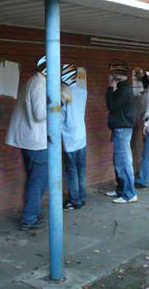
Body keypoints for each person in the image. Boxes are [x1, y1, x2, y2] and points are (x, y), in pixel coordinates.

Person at [6, 56, 48, 231]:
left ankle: (31, 214)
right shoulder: (38, 85)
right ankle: (29, 219)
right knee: (38, 181)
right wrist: (59, 102)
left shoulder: (35, 81)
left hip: (30, 140)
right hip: (35, 141)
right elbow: (40, 114)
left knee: (37, 179)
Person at [105, 63, 138, 204]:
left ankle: (129, 194)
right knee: (119, 161)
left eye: (111, 73)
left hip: (122, 129)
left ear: (116, 75)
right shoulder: (123, 87)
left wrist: (110, 88)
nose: (109, 75)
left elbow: (111, 106)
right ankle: (121, 189)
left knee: (123, 162)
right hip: (121, 129)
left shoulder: (123, 90)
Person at [61, 64, 88, 210]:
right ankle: (82, 197)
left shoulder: (64, 95)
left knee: (72, 172)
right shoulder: (83, 90)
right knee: (81, 170)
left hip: (69, 138)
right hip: (81, 136)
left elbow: (58, 116)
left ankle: (75, 200)